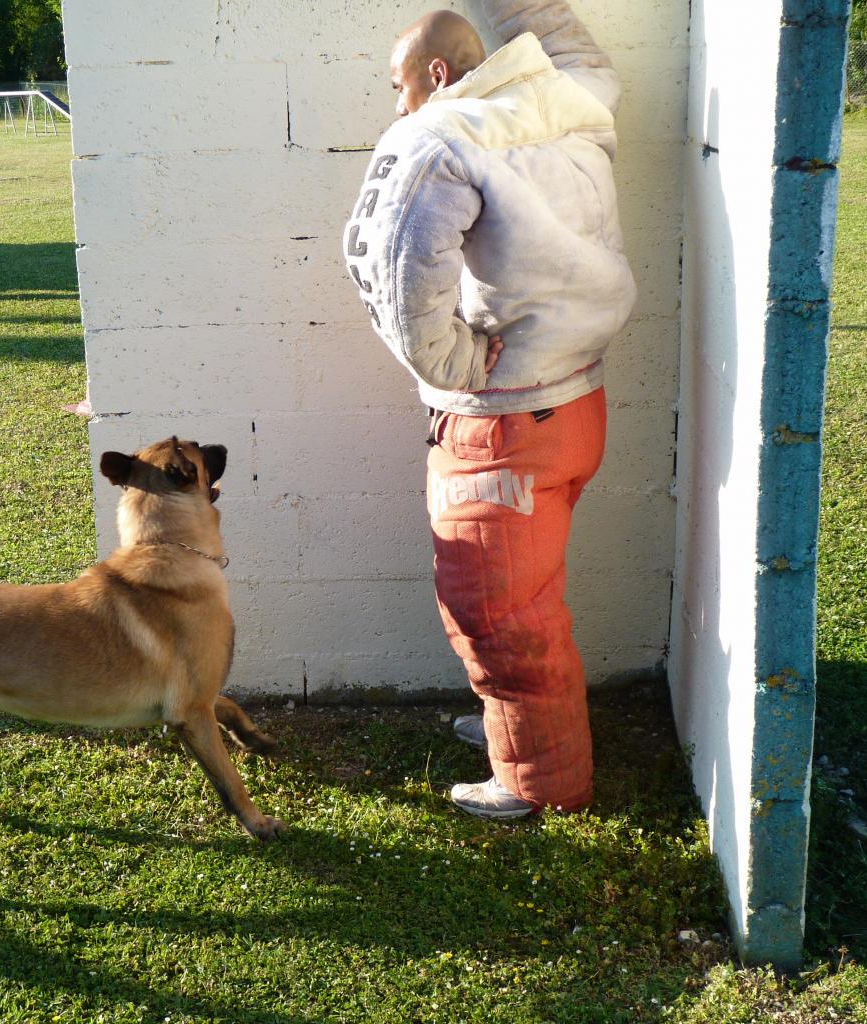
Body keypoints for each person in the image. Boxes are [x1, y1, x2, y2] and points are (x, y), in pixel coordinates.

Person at [342, 1, 636, 818]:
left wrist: (455, 368)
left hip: (501, 422)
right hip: (577, 403)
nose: (394, 107)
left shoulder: (435, 137)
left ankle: (537, 784)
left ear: (436, 76)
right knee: (524, 595)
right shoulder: (570, 96)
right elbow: (570, 39)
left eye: (398, 86)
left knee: (493, 610)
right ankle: (520, 724)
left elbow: (393, 277)